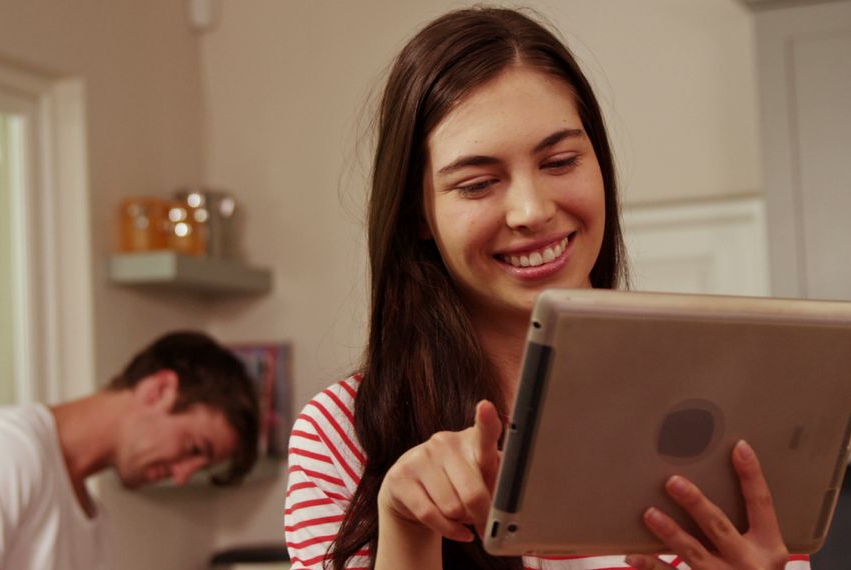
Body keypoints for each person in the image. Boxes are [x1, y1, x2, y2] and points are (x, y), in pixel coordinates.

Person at [284, 7, 811, 570]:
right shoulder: (341, 436)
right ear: (418, 214)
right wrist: (407, 529)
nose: (532, 211)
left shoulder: (734, 413)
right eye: (478, 183)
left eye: (560, 161)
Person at [0, 330, 260, 570]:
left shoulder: (95, 525)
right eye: (194, 449)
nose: (181, 476)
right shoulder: (3, 451)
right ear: (159, 390)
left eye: (200, 468)